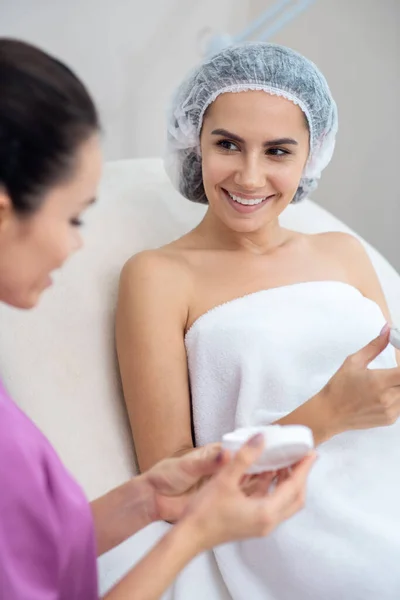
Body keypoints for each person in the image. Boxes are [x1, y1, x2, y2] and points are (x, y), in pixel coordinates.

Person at [0, 38, 317, 600]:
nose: (77, 247)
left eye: (278, 151)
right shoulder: (158, 276)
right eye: (74, 217)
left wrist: (145, 500)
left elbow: (31, 548)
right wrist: (194, 535)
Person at [116, 42, 400, 599]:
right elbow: (170, 480)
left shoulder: (343, 251)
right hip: (296, 528)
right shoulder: (158, 275)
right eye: (228, 144)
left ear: (310, 156)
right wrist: (325, 415)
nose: (249, 177)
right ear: (196, 140)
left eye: (277, 151)